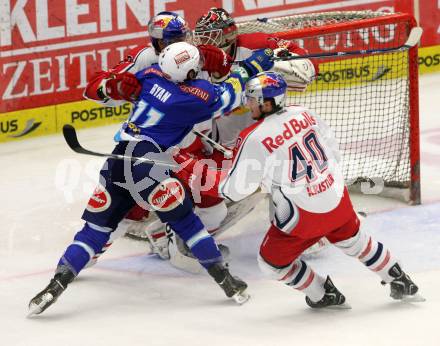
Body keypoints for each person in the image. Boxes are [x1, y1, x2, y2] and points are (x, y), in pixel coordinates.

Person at [27, 41, 274, 315]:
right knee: (187, 224)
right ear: (191, 72)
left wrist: (111, 83)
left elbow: (108, 86)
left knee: (94, 231)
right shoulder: (194, 97)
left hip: (119, 159)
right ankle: (227, 282)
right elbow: (231, 93)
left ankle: (55, 286)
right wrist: (254, 64)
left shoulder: (150, 74)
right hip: (149, 163)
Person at [174, 71, 421, 308]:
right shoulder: (305, 113)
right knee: (355, 240)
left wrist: (191, 167)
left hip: (302, 218)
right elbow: (333, 152)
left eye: (252, 100)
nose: (248, 104)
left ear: (267, 103)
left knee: (271, 264)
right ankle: (399, 279)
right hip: (338, 200)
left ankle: (322, 293)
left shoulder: (253, 136)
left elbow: (233, 190)